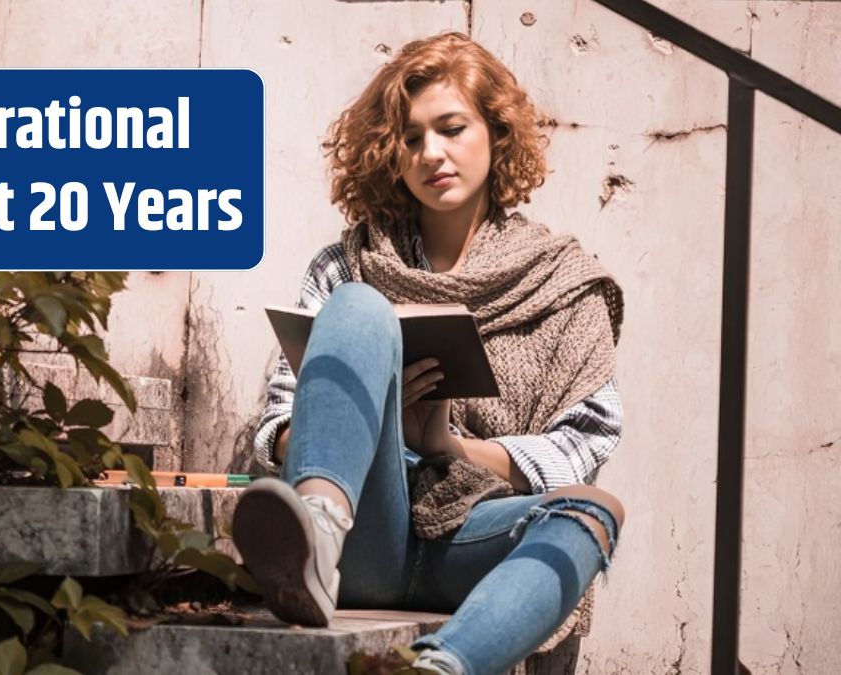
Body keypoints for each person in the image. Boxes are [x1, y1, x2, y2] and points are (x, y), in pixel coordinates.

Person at [232, 32, 627, 675]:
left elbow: (583, 444)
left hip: (473, 535)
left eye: (451, 128)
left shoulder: (563, 282)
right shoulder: (346, 266)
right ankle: (317, 533)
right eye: (411, 138)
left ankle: (440, 669)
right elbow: (277, 421)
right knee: (362, 309)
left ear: (496, 134)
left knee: (594, 510)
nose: (430, 153)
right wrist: (372, 428)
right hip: (366, 535)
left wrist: (449, 447)